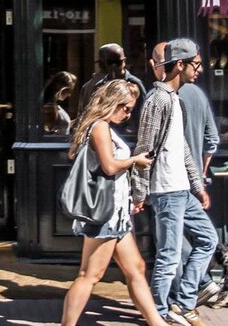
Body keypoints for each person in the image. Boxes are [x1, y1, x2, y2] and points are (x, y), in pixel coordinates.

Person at [60, 81, 169, 326]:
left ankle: (157, 323)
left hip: (116, 213)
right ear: (113, 103)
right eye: (127, 108)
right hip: (105, 214)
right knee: (90, 275)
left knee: (136, 268)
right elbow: (109, 166)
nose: (129, 114)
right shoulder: (99, 127)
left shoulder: (105, 127)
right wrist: (135, 161)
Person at [132, 38, 219, 326]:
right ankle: (158, 313)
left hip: (183, 189)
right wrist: (140, 193)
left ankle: (183, 303)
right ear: (179, 65)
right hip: (166, 190)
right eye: (196, 64)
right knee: (169, 256)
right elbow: (144, 148)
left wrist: (198, 186)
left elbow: (181, 148)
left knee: (208, 240)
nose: (200, 69)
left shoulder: (177, 99)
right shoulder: (156, 100)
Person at [77, 42, 146, 130]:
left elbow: (142, 115)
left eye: (117, 63)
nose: (114, 67)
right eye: (109, 63)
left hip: (127, 137)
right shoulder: (97, 85)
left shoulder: (134, 84)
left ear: (124, 62)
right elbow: (84, 116)